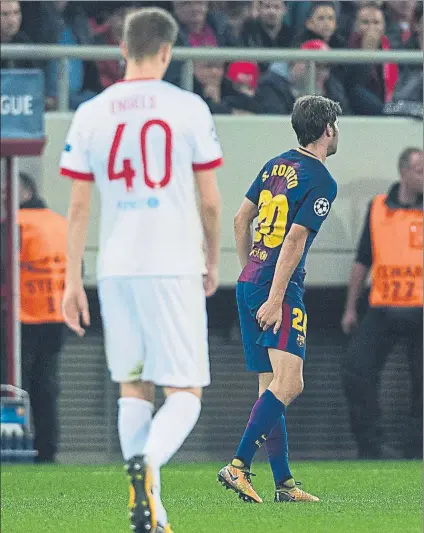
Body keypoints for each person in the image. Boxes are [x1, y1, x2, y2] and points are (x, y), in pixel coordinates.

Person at [60, 8, 222, 533]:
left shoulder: (91, 111)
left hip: (116, 268)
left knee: (134, 387)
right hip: (172, 263)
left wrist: (70, 280)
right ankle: (148, 468)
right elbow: (212, 201)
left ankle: (153, 516)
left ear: (122, 50)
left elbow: (79, 207)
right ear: (168, 51)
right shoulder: (189, 107)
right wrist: (214, 258)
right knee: (186, 393)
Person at [218, 95, 341, 503]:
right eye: (336, 126)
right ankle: (238, 465)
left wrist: (249, 269)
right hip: (279, 289)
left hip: (249, 280)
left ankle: (284, 484)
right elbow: (295, 238)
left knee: (270, 386)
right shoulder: (322, 180)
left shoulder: (276, 165)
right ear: (327, 130)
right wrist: (274, 296)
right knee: (291, 382)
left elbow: (241, 219)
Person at [341, 148, 423, 460]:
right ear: (403, 172)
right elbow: (363, 260)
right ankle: (371, 446)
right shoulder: (378, 208)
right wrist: (350, 307)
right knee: (356, 371)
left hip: (422, 309)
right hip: (384, 307)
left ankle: (416, 449)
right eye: (419, 170)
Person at [18, 172, 67, 463]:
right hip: (56, 315)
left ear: (23, 193)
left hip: (21, 317)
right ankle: (47, 450)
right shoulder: (60, 224)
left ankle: (19, 445)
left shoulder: (15, 224)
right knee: (46, 386)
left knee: (15, 385)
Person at [346, 2, 399, 115]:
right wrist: (367, 53)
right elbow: (353, 87)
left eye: (376, 23)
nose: (371, 28)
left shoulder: (393, 48)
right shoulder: (346, 47)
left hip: (387, 103)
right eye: (365, 22)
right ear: (356, 26)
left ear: (383, 27)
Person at [0, 0, 35, 69]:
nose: (12, 20)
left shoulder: (24, 41)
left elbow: (34, 76)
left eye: (16, 13)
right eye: (4, 14)